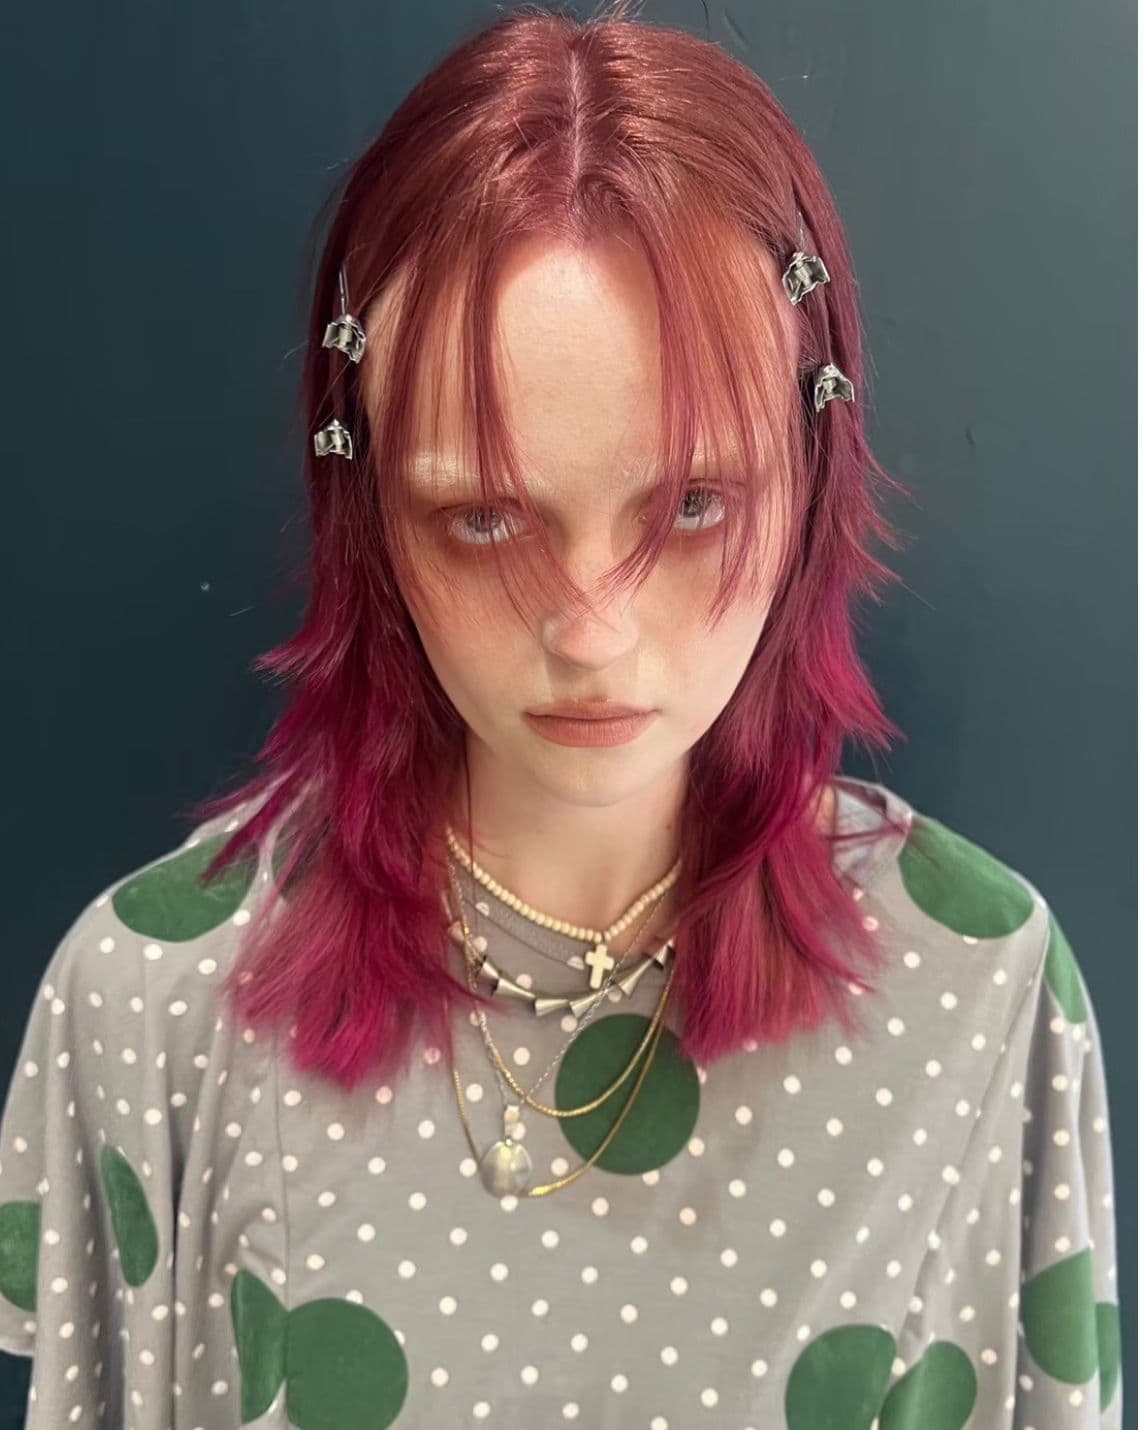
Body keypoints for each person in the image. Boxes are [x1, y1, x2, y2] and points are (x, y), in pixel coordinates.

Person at [0, 3, 1121, 1426]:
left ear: (809, 482)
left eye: (694, 507)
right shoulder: (154, 1007)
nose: (592, 631)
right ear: (370, 512)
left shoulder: (977, 996)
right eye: (484, 519)